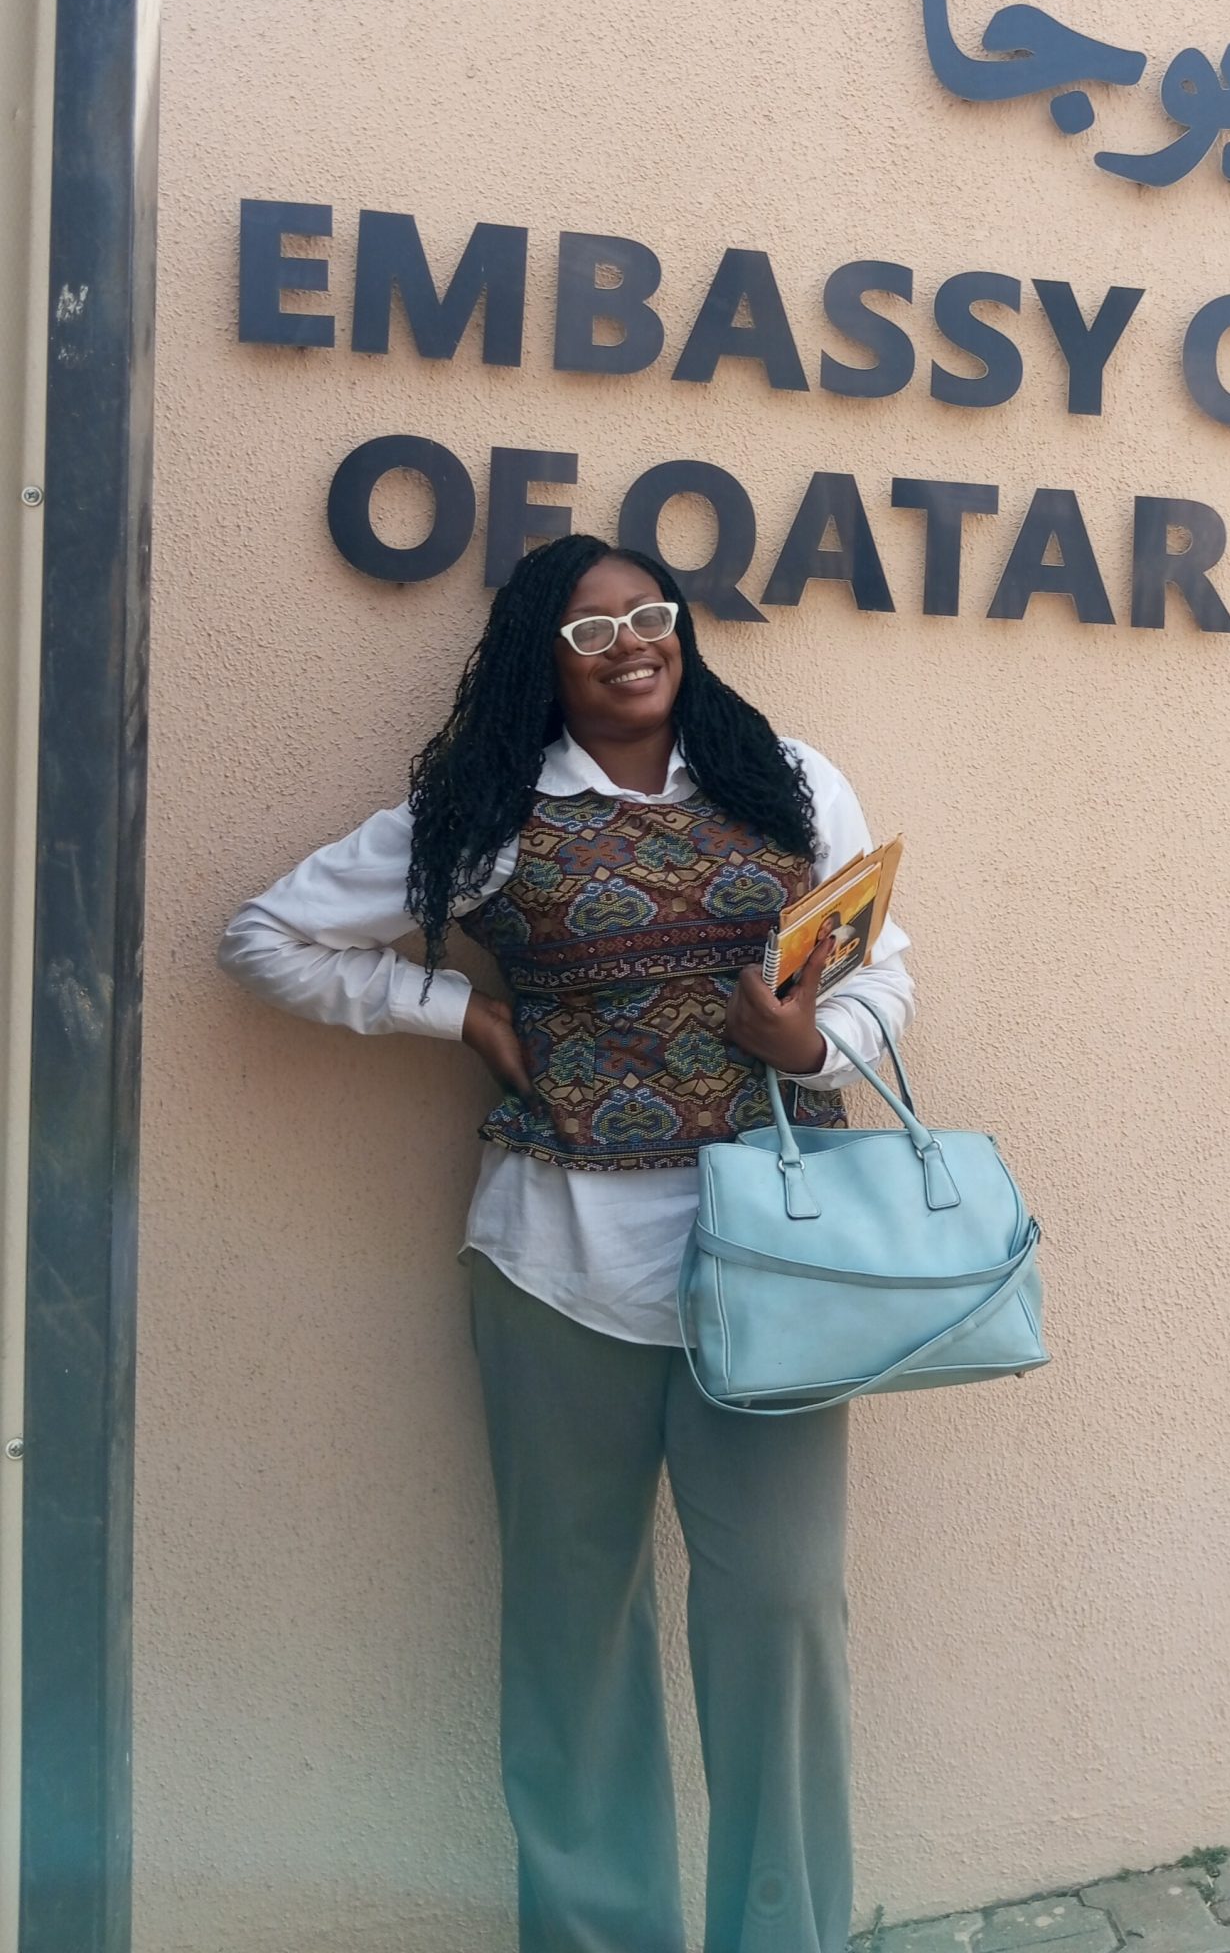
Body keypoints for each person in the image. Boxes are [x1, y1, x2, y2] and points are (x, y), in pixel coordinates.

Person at [218, 534, 913, 1953]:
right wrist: (453, 1013)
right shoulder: (484, 813)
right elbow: (267, 937)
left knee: (784, 1618)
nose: (629, 644)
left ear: (683, 630)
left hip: (779, 1269)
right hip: (560, 1267)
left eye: (649, 616)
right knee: (572, 1634)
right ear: (544, 658)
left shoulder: (786, 780)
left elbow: (882, 968)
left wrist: (815, 1039)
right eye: (590, 631)